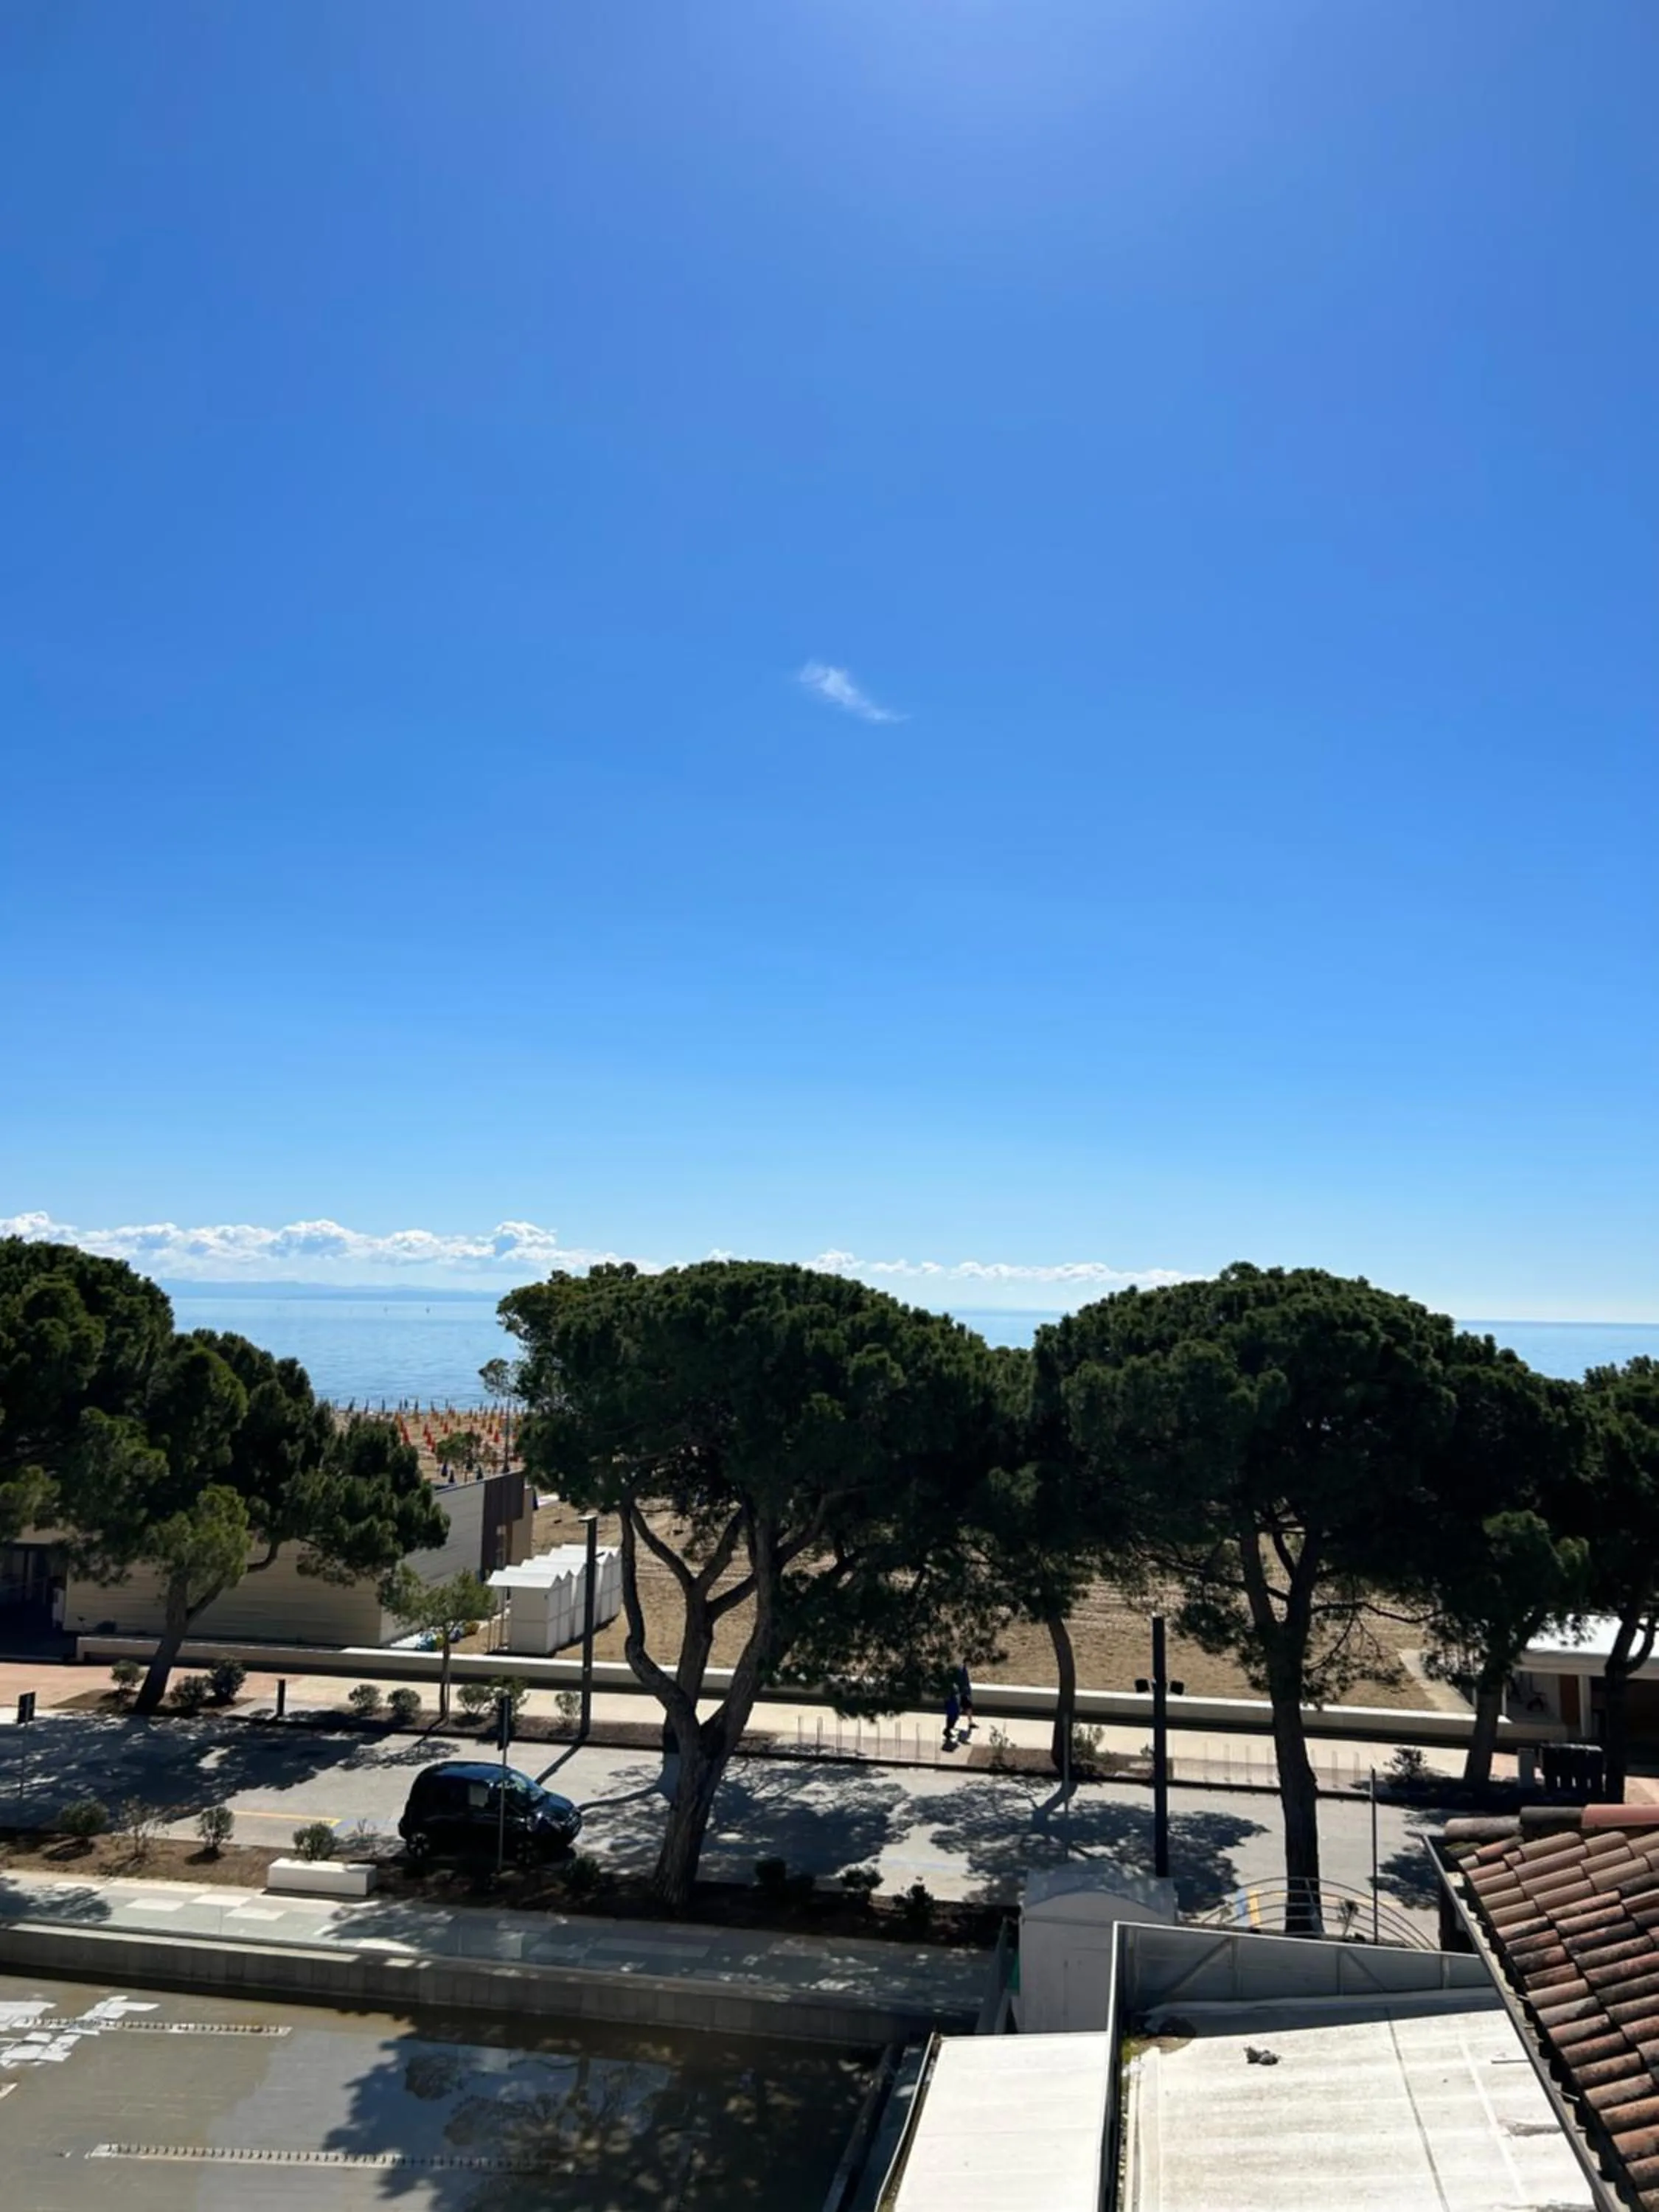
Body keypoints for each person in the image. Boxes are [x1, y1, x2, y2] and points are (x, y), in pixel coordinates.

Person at [954, 1663, 974, 1733]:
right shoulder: (962, 1671)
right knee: (966, 1707)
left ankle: (970, 1722)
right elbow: (962, 1682)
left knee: (967, 1708)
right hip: (964, 1693)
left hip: (964, 1693)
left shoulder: (963, 1670)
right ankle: (952, 1722)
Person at [943, 1683, 961, 1750]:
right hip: (952, 1705)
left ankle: (948, 1731)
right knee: (951, 1719)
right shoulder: (950, 1691)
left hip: (954, 1704)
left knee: (953, 1718)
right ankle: (947, 1731)